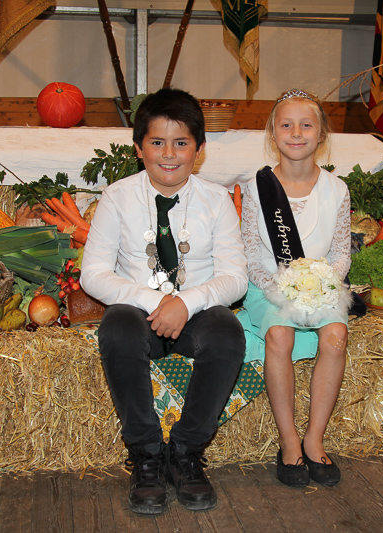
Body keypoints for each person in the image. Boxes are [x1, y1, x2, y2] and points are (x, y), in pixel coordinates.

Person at [79, 88, 247, 515]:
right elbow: (93, 273)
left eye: (181, 143)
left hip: (196, 312)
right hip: (140, 313)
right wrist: (155, 300)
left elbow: (235, 277)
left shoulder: (217, 201)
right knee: (117, 326)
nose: (169, 154)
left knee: (227, 333)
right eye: (157, 142)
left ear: (199, 149)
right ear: (139, 148)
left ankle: (186, 452)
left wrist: (185, 303)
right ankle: (147, 454)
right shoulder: (117, 198)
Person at [237, 89, 351, 488]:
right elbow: (251, 253)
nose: (296, 133)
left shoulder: (337, 190)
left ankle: (314, 438)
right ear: (273, 133)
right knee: (280, 335)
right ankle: (288, 441)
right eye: (286, 125)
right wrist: (280, 288)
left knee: (335, 336)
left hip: (321, 287)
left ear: (321, 134)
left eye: (306, 125)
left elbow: (341, 252)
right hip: (269, 287)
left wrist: (322, 282)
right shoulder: (257, 189)